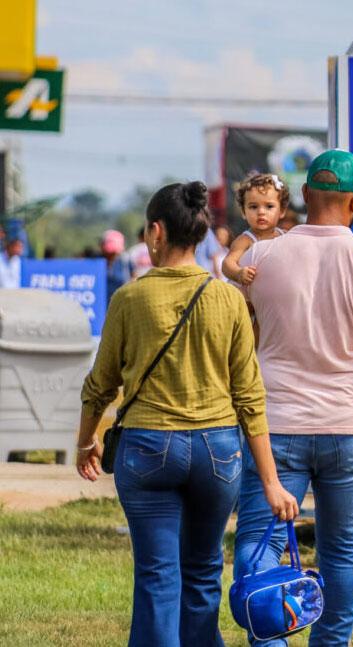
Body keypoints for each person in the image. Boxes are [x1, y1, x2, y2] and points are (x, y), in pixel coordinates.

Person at [75, 181, 298, 647]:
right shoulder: (229, 299)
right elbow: (250, 397)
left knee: (158, 577)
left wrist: (86, 441)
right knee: (202, 572)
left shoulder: (130, 299)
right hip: (218, 453)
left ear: (155, 231)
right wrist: (272, 481)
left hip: (149, 447)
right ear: (197, 234)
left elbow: (101, 385)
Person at [232, 150, 353, 647]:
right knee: (342, 550)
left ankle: (268, 642)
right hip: (350, 425)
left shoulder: (259, 257)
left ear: (305, 195)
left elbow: (243, 328)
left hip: (276, 422)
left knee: (261, 541)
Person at [222, 174, 289, 285]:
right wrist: (238, 273)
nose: (261, 212)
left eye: (269, 206)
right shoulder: (246, 240)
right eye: (253, 207)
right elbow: (227, 264)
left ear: (282, 211)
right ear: (243, 212)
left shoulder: (286, 236)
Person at [102, 229, 130, 302]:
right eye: (109, 254)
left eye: (114, 254)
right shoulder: (97, 262)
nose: (112, 257)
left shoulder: (125, 261)